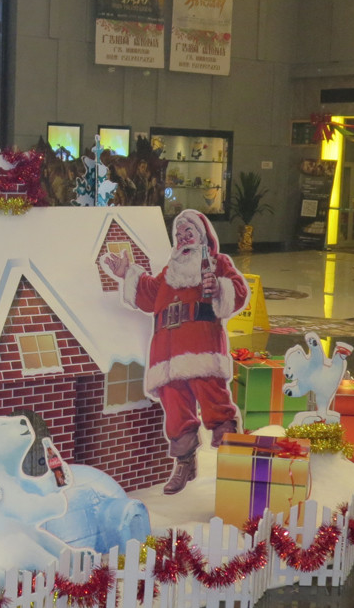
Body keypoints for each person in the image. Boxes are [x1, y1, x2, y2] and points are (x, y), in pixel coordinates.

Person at [101, 210, 248, 494]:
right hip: (166, 354)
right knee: (176, 410)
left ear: (202, 236)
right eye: (178, 235)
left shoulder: (217, 263)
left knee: (215, 401)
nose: (182, 239)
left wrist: (220, 288)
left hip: (201, 348)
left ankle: (234, 462)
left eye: (188, 233)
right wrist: (127, 274)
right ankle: (184, 464)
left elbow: (239, 291)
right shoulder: (169, 273)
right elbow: (148, 295)